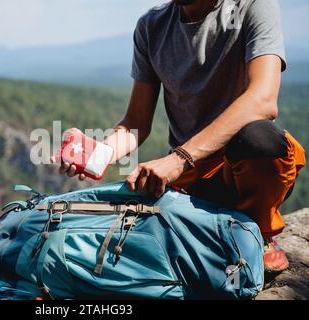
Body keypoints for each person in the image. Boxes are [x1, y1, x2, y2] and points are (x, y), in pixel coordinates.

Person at [52, 0, 306, 274]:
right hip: (189, 181)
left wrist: (179, 158)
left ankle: (258, 235)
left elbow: (263, 100)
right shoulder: (153, 26)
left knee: (261, 138)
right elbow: (136, 122)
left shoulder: (253, 6)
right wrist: (98, 153)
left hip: (243, 171)